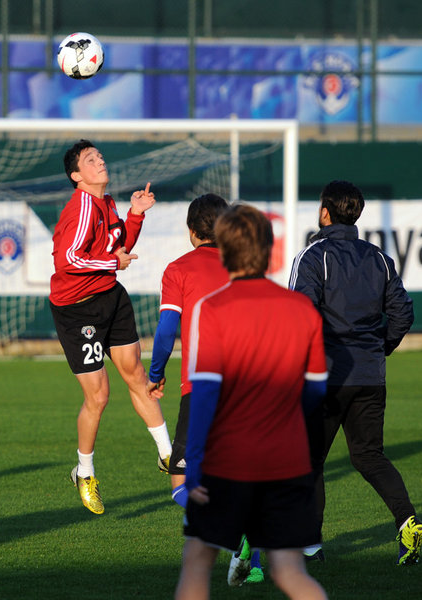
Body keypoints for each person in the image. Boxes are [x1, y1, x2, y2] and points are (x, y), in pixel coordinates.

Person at [175, 204, 328, 600]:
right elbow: (315, 390)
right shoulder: (302, 309)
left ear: (225, 251)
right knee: (290, 571)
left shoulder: (213, 308)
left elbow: (204, 395)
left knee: (197, 563)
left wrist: (195, 465)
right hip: (288, 461)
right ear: (268, 249)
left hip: (228, 461)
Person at [289, 179, 422, 565]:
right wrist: (379, 347)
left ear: (324, 212)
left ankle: (310, 546)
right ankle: (407, 521)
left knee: (309, 460)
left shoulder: (313, 256)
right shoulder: (379, 258)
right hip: (369, 375)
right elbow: (403, 313)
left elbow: (299, 315)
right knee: (369, 457)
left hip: (327, 377)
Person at [49, 139, 172, 515]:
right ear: (77, 176)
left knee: (136, 374)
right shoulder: (81, 208)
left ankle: (168, 454)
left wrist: (135, 215)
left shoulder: (108, 202)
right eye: (90, 159)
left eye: (100, 156)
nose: (100, 161)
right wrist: (111, 264)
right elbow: (68, 260)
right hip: (77, 311)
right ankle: (84, 472)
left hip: (111, 297)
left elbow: (119, 248)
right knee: (99, 396)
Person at [146, 193, 229, 507]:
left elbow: (167, 329)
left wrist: (156, 373)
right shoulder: (244, 266)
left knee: (181, 484)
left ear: (192, 231)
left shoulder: (178, 269)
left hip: (201, 386)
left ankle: (229, 527)